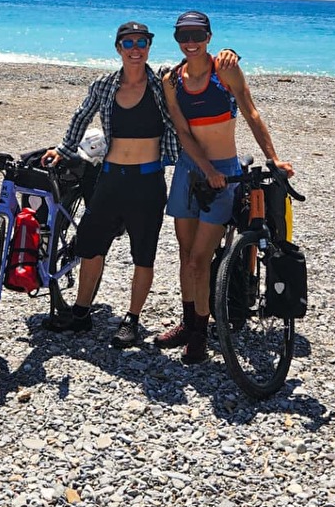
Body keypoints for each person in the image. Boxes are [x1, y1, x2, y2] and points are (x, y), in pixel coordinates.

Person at [41, 21, 237, 349]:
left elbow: (196, 60)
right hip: (110, 177)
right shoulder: (104, 85)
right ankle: (81, 312)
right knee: (91, 246)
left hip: (147, 181)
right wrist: (62, 149)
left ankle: (132, 319)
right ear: (118, 48)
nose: (135, 48)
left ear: (148, 46)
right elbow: (80, 116)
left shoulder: (162, 80)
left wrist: (225, 56)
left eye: (141, 42)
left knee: (143, 255)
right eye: (128, 42)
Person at [156, 9, 292, 364]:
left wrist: (274, 158)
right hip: (190, 170)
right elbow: (183, 132)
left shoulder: (225, 70)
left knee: (201, 259)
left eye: (197, 36)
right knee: (186, 256)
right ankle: (190, 322)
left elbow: (251, 112)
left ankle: (200, 332)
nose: (190, 43)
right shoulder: (172, 80)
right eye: (183, 37)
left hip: (225, 172)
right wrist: (202, 168)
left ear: (209, 38)